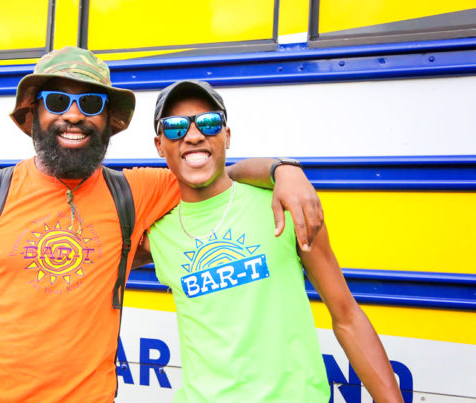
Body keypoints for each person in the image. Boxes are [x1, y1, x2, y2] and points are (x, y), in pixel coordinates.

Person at [0, 47, 324, 403]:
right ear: (33, 115)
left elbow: (215, 170)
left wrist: (283, 169)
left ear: (109, 122)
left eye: (91, 105)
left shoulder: (138, 191)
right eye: (56, 101)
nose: (74, 115)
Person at [142, 80, 403, 402]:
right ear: (159, 145)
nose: (193, 135)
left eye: (209, 122)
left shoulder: (286, 206)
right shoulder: (157, 234)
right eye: (175, 127)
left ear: (227, 135)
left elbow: (346, 315)